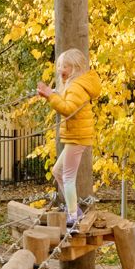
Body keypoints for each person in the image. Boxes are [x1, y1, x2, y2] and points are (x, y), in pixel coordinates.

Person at [37, 48, 102, 231]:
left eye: (63, 66)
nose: (60, 70)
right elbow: (62, 97)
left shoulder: (76, 87)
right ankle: (74, 210)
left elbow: (67, 108)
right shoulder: (72, 85)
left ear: (74, 67)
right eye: (59, 66)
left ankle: (73, 216)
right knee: (58, 171)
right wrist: (49, 94)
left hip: (77, 136)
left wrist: (51, 96)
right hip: (75, 135)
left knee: (67, 177)